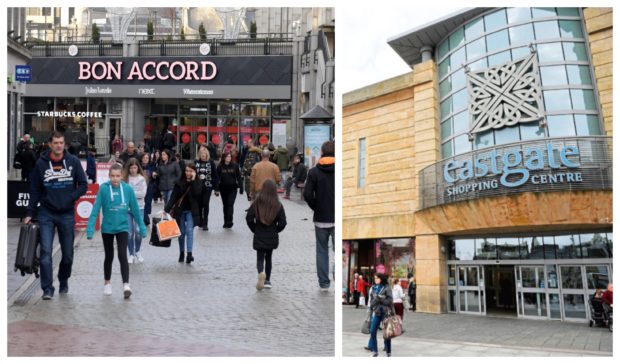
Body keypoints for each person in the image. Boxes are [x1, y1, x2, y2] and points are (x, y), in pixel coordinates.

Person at [25, 131, 88, 300]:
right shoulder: (41, 163)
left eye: (61, 142)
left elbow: (83, 185)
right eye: (56, 142)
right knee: (45, 252)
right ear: (50, 144)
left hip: (66, 214)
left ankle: (63, 279)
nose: (59, 145)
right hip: (46, 213)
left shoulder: (73, 161)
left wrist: (70, 198)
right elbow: (35, 190)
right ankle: (47, 288)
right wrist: (30, 212)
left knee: (67, 255)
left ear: (64, 144)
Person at [87, 164, 146, 298]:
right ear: (109, 176)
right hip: (107, 228)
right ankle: (107, 283)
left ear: (122, 176)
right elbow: (95, 209)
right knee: (109, 256)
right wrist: (90, 229)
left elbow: (136, 211)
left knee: (122, 254)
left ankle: (126, 284)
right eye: (112, 176)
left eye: (118, 176)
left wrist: (142, 227)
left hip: (122, 227)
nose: (115, 179)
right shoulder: (103, 189)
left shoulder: (127, 189)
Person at [303, 141, 335, 291]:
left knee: (322, 251)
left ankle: (324, 283)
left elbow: (307, 194)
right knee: (339, 251)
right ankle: (337, 275)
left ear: (322, 152)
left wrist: (316, 206)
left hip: (321, 218)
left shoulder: (314, 172)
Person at [246, 180, 287, 290]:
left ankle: (260, 272)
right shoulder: (278, 204)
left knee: (260, 257)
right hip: (271, 235)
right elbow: (283, 222)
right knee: (269, 257)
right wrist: (276, 230)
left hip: (259, 233)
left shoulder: (257, 203)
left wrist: (254, 229)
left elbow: (249, 218)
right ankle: (267, 280)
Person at [164, 163, 203, 264]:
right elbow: (173, 197)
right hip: (180, 211)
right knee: (181, 234)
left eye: (190, 171)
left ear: (194, 172)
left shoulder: (197, 182)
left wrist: (193, 180)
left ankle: (189, 254)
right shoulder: (179, 182)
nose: (188, 173)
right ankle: (181, 252)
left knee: (189, 230)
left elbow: (197, 193)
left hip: (191, 211)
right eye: (186, 171)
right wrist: (166, 209)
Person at [122, 158, 148, 264]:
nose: (133, 170)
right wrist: (134, 193)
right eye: (131, 168)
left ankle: (137, 251)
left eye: (135, 167)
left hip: (139, 208)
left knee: (138, 232)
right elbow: (123, 193)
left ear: (138, 167)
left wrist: (131, 193)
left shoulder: (142, 179)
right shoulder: (125, 179)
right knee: (129, 232)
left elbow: (143, 194)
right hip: (127, 209)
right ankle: (131, 254)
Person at [365, 273, 394, 357]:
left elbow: (390, 301)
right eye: (374, 278)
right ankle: (375, 351)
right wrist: (377, 299)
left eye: (377, 278)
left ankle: (388, 351)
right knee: (372, 331)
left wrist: (381, 299)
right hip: (377, 313)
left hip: (386, 313)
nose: (375, 280)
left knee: (387, 333)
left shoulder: (387, 288)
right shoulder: (373, 288)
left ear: (381, 279)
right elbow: (371, 302)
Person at [194, 148, 219, 231]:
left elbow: (215, 175)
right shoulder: (196, 162)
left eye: (204, 154)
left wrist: (216, 188)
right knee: (199, 204)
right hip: (197, 187)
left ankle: (205, 223)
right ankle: (200, 221)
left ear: (207, 154)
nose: (203, 155)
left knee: (205, 203)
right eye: (201, 153)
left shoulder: (211, 163)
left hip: (207, 186)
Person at [217, 152, 242, 228]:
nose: (229, 158)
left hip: (233, 188)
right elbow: (217, 178)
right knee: (225, 205)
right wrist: (216, 189)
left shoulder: (235, 166)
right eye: (227, 157)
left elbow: (239, 177)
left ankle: (230, 221)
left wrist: (241, 187)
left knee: (230, 204)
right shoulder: (220, 166)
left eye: (230, 157)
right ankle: (225, 222)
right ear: (224, 158)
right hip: (223, 189)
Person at [141, 153, 156, 226]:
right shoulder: (139, 167)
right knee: (141, 203)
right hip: (140, 187)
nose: (145, 159)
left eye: (147, 158)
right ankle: (145, 219)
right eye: (144, 158)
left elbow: (155, 175)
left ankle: (146, 217)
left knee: (147, 203)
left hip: (149, 187)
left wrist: (154, 174)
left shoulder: (152, 166)